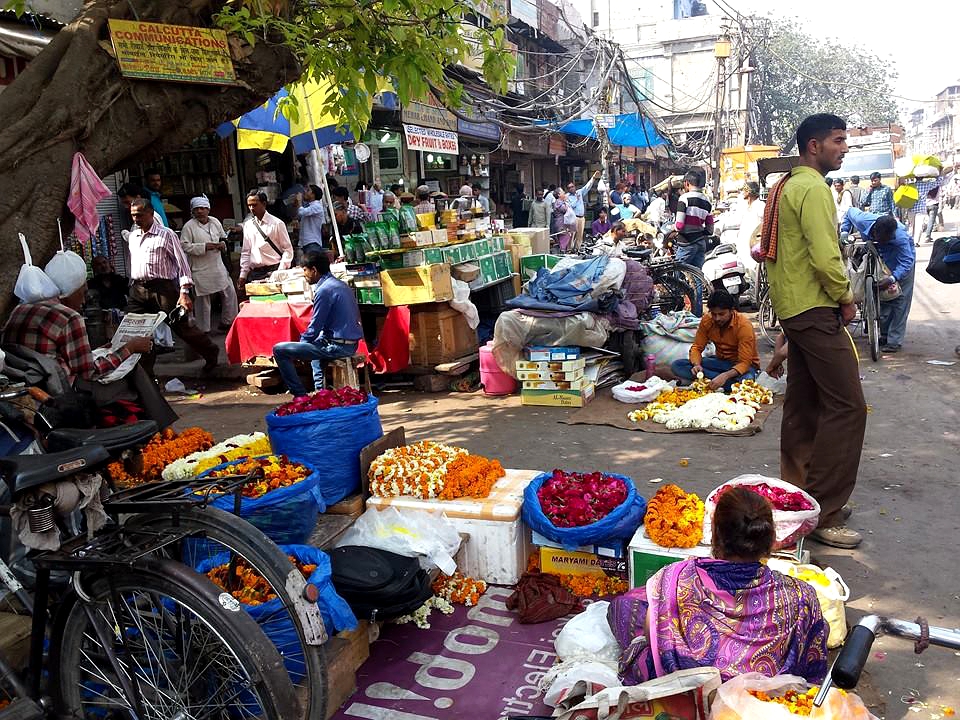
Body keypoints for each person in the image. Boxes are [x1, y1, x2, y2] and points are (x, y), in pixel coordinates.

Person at [759, 113, 866, 549]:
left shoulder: (784, 185)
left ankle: (797, 496)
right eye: (838, 141)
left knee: (804, 404)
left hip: (793, 307)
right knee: (848, 407)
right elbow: (826, 257)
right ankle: (825, 509)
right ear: (813, 145)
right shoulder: (813, 188)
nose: (844, 148)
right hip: (815, 308)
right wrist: (846, 297)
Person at [607, 487, 828, 685]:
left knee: (623, 607)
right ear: (770, 540)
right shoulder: (801, 594)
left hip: (687, 691)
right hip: (762, 695)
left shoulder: (674, 577)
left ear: (715, 535)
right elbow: (811, 657)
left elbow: (650, 631)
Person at [3, 251, 177, 427]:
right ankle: (160, 427)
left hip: (29, 380)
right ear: (70, 291)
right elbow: (88, 372)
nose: (84, 300)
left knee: (123, 362)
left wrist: (113, 348)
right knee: (134, 373)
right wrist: (129, 348)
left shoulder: (20, 309)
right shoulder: (68, 317)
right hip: (61, 390)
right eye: (83, 292)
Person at [126, 199, 221, 373]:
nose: (136, 219)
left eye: (139, 215)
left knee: (183, 328)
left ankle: (210, 352)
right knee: (135, 331)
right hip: (138, 290)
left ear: (150, 213)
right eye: (133, 215)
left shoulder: (166, 234)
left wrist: (184, 292)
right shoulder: (133, 236)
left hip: (164, 289)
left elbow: (182, 264)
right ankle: (145, 372)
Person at [272, 250, 363, 397]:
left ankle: (300, 395)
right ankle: (320, 392)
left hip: (338, 346)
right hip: (348, 343)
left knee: (279, 350)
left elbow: (314, 328)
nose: (304, 274)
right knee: (316, 346)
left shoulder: (324, 290)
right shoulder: (340, 285)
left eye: (305, 270)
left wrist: (301, 346)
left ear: (314, 270)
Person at [840, 209, 916, 353]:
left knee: (900, 300)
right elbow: (849, 212)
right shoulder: (863, 220)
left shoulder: (900, 237)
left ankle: (894, 341)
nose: (891, 238)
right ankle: (884, 335)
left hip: (901, 261)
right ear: (875, 233)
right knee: (884, 298)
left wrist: (893, 278)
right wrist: (844, 231)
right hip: (880, 256)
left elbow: (907, 262)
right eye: (887, 238)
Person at [671, 290, 760, 391]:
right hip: (720, 362)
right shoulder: (707, 320)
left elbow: (745, 363)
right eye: (714, 314)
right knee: (678, 365)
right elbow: (696, 348)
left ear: (731, 311)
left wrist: (725, 376)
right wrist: (697, 365)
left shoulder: (744, 326)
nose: (717, 318)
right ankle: (724, 383)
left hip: (742, 367)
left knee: (747, 379)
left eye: (722, 314)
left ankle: (710, 380)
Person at [180, 195, 239, 333]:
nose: (200, 211)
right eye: (197, 209)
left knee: (229, 292)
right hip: (200, 268)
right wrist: (204, 246)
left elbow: (223, 237)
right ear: (193, 211)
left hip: (217, 265)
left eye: (203, 208)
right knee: (203, 301)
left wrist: (221, 244)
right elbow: (184, 246)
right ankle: (203, 329)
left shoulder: (215, 221)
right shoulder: (189, 226)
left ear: (208, 209)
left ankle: (227, 322)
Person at [239, 189, 294, 288]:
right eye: (249, 205)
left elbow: (288, 250)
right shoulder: (248, 225)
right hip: (255, 274)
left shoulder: (277, 223)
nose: (251, 208)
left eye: (254, 205)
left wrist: (280, 271)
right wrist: (243, 275)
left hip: (274, 271)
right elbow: (246, 252)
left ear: (264, 204)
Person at [674, 169, 715, 268]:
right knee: (697, 275)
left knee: (677, 274)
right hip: (701, 243)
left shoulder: (684, 199)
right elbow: (710, 230)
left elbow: (679, 225)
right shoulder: (707, 201)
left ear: (686, 184)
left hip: (687, 243)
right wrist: (699, 231)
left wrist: (673, 227)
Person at [566, 171, 601, 251]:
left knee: (580, 235)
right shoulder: (567, 196)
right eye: (570, 188)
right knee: (572, 235)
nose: (572, 188)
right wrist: (577, 200)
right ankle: (569, 250)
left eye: (572, 186)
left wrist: (593, 178)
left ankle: (577, 249)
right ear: (568, 189)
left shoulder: (579, 192)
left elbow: (587, 187)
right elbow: (571, 206)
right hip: (574, 217)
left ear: (575, 187)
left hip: (581, 217)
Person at [292, 184, 327, 255]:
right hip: (306, 243)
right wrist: (296, 204)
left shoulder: (317, 206)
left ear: (313, 195)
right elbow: (298, 215)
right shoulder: (309, 206)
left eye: (308, 191)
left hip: (312, 243)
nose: (305, 192)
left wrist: (299, 201)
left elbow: (302, 212)